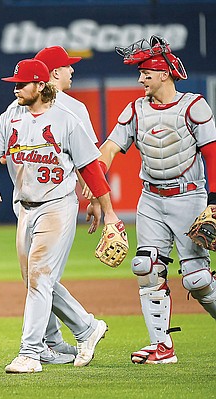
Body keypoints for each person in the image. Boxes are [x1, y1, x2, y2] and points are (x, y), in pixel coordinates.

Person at [0, 59, 120, 373]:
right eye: (14, 84)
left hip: (57, 205)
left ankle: (30, 353)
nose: (15, 89)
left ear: (41, 85)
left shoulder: (66, 119)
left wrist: (109, 213)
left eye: (21, 84)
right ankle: (86, 328)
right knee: (36, 279)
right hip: (24, 208)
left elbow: (90, 169)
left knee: (40, 278)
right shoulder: (10, 116)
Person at [97, 35, 216, 364]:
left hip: (190, 197)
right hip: (150, 198)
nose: (140, 79)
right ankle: (161, 347)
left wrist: (215, 201)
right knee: (145, 267)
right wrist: (94, 183)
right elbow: (108, 150)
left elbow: (213, 153)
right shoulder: (135, 109)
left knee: (197, 279)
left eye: (146, 74)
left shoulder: (193, 106)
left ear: (163, 73)